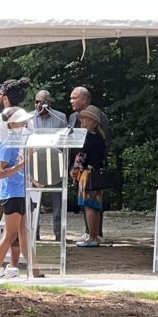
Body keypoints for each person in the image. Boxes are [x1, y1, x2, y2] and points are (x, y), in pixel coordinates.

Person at [0, 77, 32, 268]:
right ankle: (17, 266)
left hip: (3, 182)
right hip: (23, 182)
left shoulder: (2, 120)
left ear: (5, 98)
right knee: (21, 230)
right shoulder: (28, 117)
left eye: (0, 95)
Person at [0, 108, 37, 279]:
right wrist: (20, 166)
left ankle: (34, 268)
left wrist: (32, 179)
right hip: (11, 193)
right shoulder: (7, 143)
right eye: (21, 121)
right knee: (10, 234)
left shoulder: (22, 143)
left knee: (24, 233)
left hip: (22, 192)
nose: (24, 124)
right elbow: (1, 173)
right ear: (12, 124)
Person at [28, 89, 67, 241]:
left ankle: (58, 234)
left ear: (49, 103)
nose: (39, 105)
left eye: (43, 102)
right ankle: (34, 234)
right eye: (37, 102)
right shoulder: (29, 118)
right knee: (34, 202)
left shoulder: (60, 117)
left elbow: (65, 141)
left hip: (55, 163)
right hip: (35, 164)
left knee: (57, 201)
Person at [71, 104, 107, 248]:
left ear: (93, 121)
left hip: (87, 175)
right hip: (96, 173)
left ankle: (91, 237)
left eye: (85, 119)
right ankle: (94, 236)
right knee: (95, 206)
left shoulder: (89, 137)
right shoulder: (100, 137)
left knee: (89, 206)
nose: (82, 121)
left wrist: (75, 172)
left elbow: (81, 156)